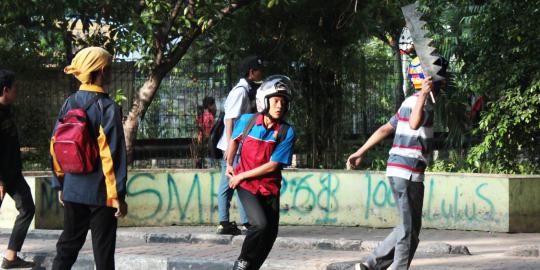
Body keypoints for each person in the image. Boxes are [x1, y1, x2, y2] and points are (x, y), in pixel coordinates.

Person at [347, 56, 447, 270]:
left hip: (397, 170)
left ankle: (370, 265)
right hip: (408, 171)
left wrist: (360, 151)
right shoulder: (422, 102)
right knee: (409, 231)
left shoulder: (408, 101)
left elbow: (386, 128)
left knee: (408, 227)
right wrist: (423, 95)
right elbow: (414, 123)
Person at [50, 47, 128, 270]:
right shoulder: (108, 107)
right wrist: (118, 196)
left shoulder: (69, 102)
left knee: (67, 248)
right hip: (101, 194)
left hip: (72, 189)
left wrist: (60, 185)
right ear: (102, 70)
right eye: (110, 67)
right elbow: (112, 156)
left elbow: (55, 145)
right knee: (103, 254)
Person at [229, 75, 296, 270]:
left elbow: (273, 166)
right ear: (263, 101)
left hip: (269, 187)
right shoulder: (247, 121)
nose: (279, 106)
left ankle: (250, 267)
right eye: (275, 101)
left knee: (270, 234)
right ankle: (242, 261)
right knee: (259, 225)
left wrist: (240, 174)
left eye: (283, 102)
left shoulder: (286, 131)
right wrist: (231, 165)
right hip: (246, 184)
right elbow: (233, 140)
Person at [216, 56, 263, 235]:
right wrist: (230, 146)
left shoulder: (245, 89)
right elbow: (230, 119)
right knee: (231, 184)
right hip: (233, 147)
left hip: (237, 145)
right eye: (259, 69)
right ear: (251, 72)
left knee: (240, 182)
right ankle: (226, 222)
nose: (261, 72)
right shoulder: (240, 91)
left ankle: (242, 222)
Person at [0, 70, 36, 269]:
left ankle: (11, 257)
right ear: (6, 90)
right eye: (15, 88)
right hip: (1, 177)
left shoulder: (8, 109)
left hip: (13, 173)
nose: (18, 91)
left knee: (28, 208)